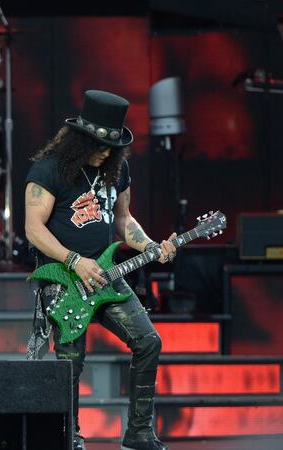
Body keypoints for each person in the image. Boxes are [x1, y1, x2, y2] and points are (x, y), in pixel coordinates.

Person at [24, 90, 176, 450]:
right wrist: (73, 260)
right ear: (80, 140)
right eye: (98, 146)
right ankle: (68, 436)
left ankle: (139, 432)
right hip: (64, 276)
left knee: (148, 341)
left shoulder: (117, 169)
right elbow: (33, 228)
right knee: (70, 360)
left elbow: (123, 220)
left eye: (112, 147)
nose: (105, 153)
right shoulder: (49, 169)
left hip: (106, 275)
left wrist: (150, 246)